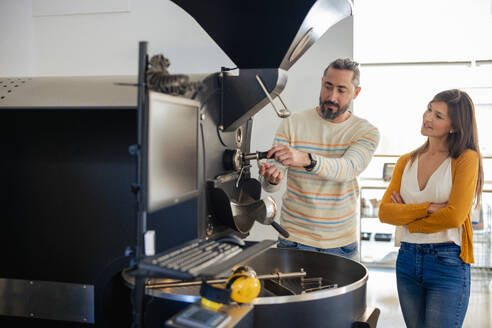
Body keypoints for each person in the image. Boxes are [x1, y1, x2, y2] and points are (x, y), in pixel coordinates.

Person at [378, 89, 483, 328]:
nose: (427, 118)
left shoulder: (466, 158)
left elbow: (454, 216)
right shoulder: (406, 161)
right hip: (406, 258)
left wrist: (406, 218)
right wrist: (428, 208)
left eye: (438, 116)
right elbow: (385, 212)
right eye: (429, 109)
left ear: (454, 126)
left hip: (447, 262)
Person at [258, 58, 380, 260]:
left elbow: (348, 168)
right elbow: (271, 183)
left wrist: (306, 159)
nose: (331, 96)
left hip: (341, 245)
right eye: (328, 87)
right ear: (322, 82)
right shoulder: (292, 123)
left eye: (342, 90)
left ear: (356, 93)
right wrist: (272, 178)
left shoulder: (366, 131)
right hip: (294, 240)